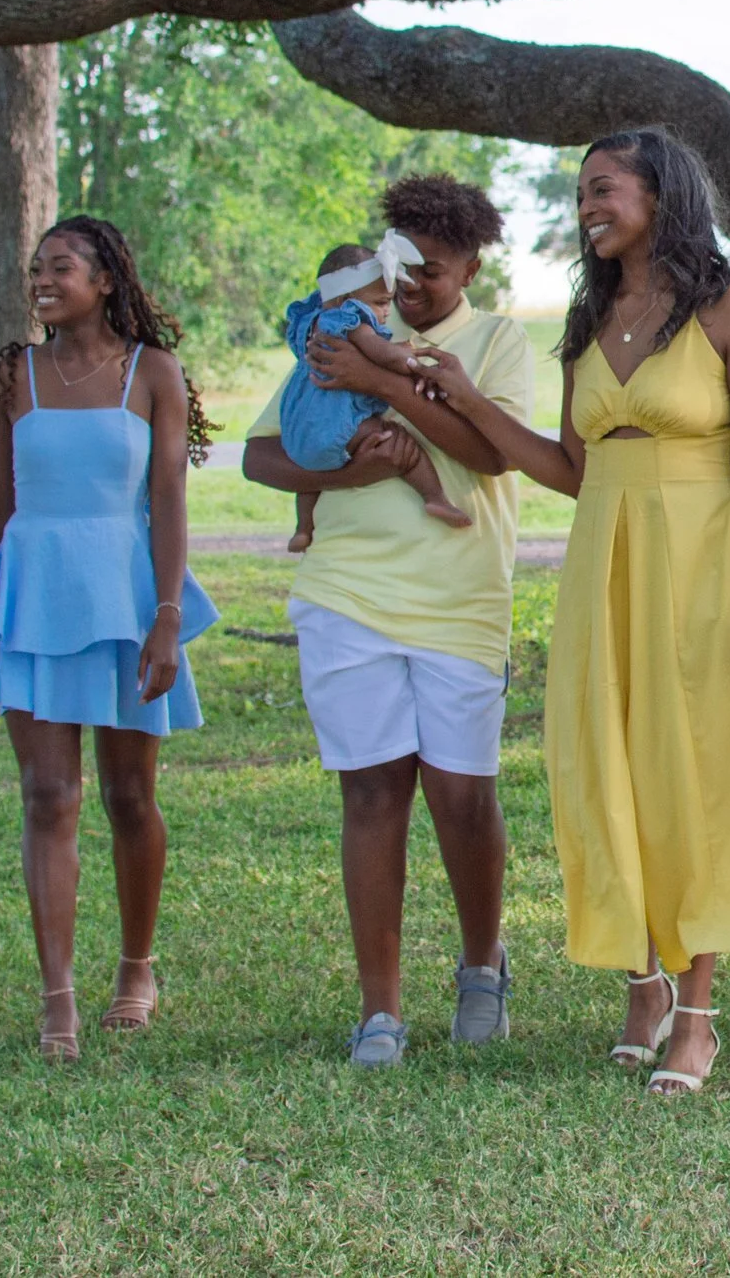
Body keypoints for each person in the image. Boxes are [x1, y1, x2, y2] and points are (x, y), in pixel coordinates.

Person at [411, 126, 730, 1097]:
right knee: (607, 766)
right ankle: (642, 985)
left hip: (705, 563)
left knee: (701, 774)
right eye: (582, 192)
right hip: (605, 568)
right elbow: (566, 469)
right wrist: (461, 396)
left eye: (603, 190)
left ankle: (698, 1014)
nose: (588, 207)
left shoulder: (726, 313)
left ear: (661, 197)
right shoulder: (587, 325)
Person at [241, 176, 530, 1068]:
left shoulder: (498, 341)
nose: (409, 287)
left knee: (461, 795)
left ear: (472, 266)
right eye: (397, 265)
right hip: (347, 597)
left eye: (430, 272)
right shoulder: (345, 326)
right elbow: (260, 453)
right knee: (370, 793)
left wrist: (383, 383)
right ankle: (380, 1010)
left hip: (459, 600)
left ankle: (482, 967)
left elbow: (488, 454)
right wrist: (351, 475)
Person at [0, 217, 221, 1060]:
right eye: (36, 268)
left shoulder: (154, 372)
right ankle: (57, 997)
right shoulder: (12, 373)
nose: (42, 278)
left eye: (60, 266)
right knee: (47, 796)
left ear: (106, 278)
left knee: (128, 796)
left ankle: (136, 968)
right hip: (32, 593)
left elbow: (170, 498)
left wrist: (168, 615)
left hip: (126, 592)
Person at [283, 237, 473, 552]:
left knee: (311, 474)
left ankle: (304, 528)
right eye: (381, 302)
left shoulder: (310, 321)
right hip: (337, 425)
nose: (387, 311)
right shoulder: (351, 320)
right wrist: (414, 362)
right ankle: (435, 498)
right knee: (400, 444)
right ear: (346, 299)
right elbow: (382, 355)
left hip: (300, 431)